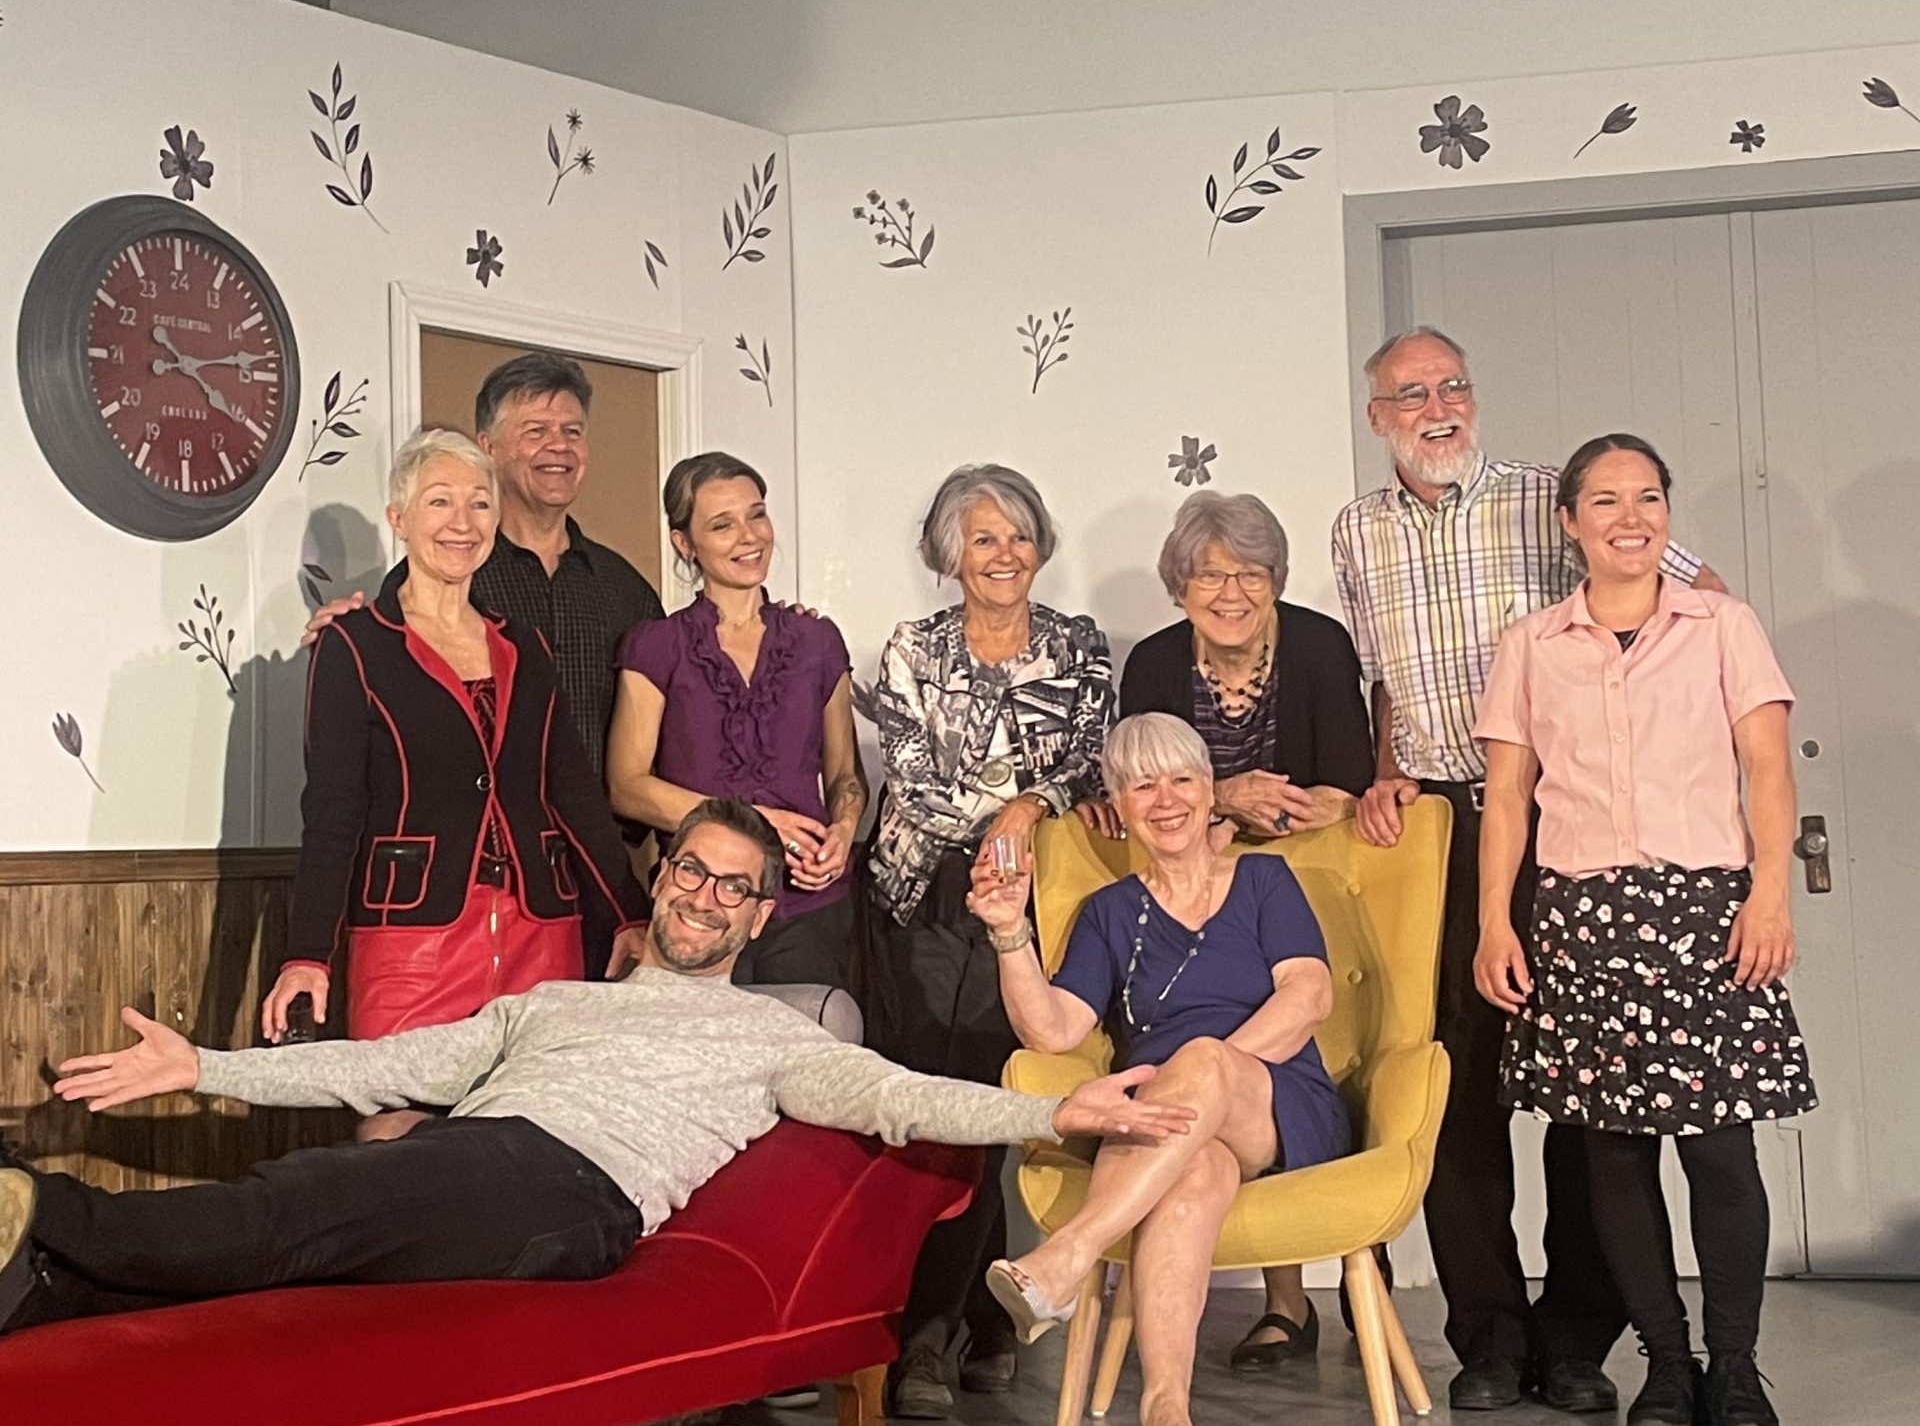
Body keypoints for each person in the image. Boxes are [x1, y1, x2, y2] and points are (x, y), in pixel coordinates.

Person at [0, 803, 1193, 1340]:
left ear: (758, 917)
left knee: (299, 1203)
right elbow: (385, 1063)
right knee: (304, 1230)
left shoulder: (776, 1036)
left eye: (735, 888)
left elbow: (896, 1096)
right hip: (475, 1162)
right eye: (692, 871)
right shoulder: (551, 1004)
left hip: (574, 1196)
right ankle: (37, 1292)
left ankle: (41, 1207)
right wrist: (202, 1064)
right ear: (663, 877)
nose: (705, 896)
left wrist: (1052, 1107)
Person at [1333, 326, 1727, 1416]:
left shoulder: (1547, 497)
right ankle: (1490, 1340)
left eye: (1453, 385)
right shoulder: (1356, 530)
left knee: (1584, 1092)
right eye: (1413, 393)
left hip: (1563, 826)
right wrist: (1385, 769)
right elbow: (1381, 679)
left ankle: (1578, 1337)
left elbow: (1698, 597)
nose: (1439, 407)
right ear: (1378, 417)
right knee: (1455, 1091)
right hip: (1438, 836)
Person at [1472, 435, 1815, 1426]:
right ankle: (1665, 1365)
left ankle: (1736, 1368)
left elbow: (1767, 769)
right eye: (1607, 501)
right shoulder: (1533, 644)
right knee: (1612, 1159)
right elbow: (1507, 797)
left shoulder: (1723, 625)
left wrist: (1770, 894)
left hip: (1708, 911)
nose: (1632, 518)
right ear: (1569, 522)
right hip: (1581, 916)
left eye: (1650, 498)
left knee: (1720, 1152)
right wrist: (1495, 920)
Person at [967, 714, 1343, 1426]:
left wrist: (1209, 1073)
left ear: (1210, 791)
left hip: (1273, 1101)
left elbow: (1308, 996)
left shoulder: (1264, 881)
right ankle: (1167, 1417)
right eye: (1142, 786)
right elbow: (1053, 1030)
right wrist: (1009, 934)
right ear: (1119, 803)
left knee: (1201, 1062)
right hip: (1165, 1129)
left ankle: (1067, 1257)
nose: (1165, 800)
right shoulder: (1109, 912)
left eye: (1181, 780)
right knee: (1193, 1176)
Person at [261, 430, 649, 1117]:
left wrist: (627, 914)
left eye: (479, 503)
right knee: (398, 1131)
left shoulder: (524, 647)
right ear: (400, 519)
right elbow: (332, 813)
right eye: (440, 501)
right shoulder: (353, 645)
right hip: (411, 945)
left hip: (541, 934)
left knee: (532, 1133)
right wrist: (307, 955)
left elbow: (571, 790)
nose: (462, 522)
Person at [865, 463, 1113, 1418]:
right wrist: (1010, 813)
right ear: (950, 555)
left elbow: (1090, 755)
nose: (1003, 554)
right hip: (925, 900)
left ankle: (939, 1334)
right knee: (941, 1110)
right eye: (983, 538)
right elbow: (914, 781)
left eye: (1017, 535)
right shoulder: (912, 647)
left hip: (1034, 903)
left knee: (996, 1099)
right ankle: (967, 1323)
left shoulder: (1079, 645)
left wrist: (1030, 806)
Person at [1115, 489, 1373, 1371]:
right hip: (1191, 890)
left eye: (1250, 573)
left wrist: (1257, 824)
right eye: (1209, 575)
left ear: (1276, 579)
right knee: (1207, 1038)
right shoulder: (1154, 664)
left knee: (1286, 1049)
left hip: (1294, 881)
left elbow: (1345, 786)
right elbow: (1145, 791)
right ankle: (1287, 1304)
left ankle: (1333, 1290)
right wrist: (1225, 797)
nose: (1231, 592)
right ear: (1180, 584)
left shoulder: (1318, 646)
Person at [310, 352, 664, 770]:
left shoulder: (626, 590)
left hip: (596, 815)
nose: (559, 446)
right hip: (478, 813)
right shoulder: (434, 578)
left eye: (572, 431)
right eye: (536, 430)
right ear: (488, 448)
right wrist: (345, 633)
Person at [607, 453, 865, 988]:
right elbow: (627, 787)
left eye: (757, 515)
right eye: (722, 525)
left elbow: (846, 777)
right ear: (685, 543)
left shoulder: (818, 641)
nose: (749, 537)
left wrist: (843, 831)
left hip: (808, 905)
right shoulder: (657, 645)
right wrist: (754, 821)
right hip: (699, 906)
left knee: (809, 1038)